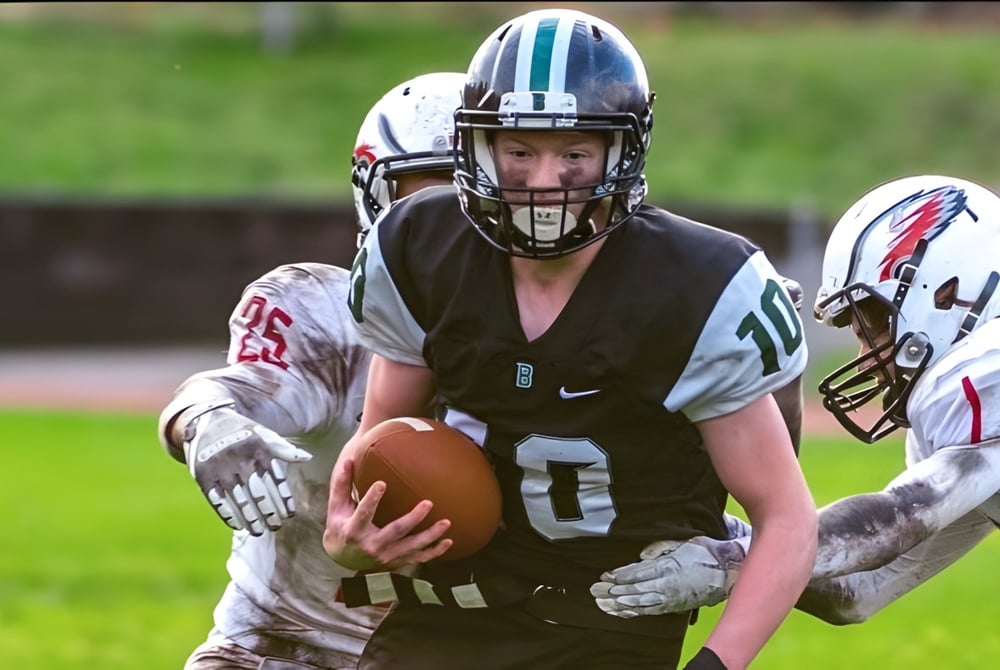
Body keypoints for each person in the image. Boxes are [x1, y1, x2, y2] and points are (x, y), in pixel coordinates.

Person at [323, 9, 817, 670]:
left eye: (575, 154)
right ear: (478, 145)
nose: (544, 180)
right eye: (520, 151)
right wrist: (350, 536)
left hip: (609, 623)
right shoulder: (421, 247)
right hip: (445, 610)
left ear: (622, 151)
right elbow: (382, 445)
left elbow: (785, 517)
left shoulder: (695, 285)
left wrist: (716, 663)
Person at [155, 71, 466, 670]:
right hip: (285, 646)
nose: (448, 233)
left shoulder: (575, 336)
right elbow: (228, 392)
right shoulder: (321, 315)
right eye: (425, 202)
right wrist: (206, 421)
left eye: (470, 205)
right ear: (376, 195)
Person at [591, 173, 1000, 628]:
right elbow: (856, 593)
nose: (867, 361)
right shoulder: (964, 431)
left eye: (875, 329)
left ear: (948, 293)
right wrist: (710, 527)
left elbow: (900, 517)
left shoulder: (983, 371)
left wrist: (728, 563)